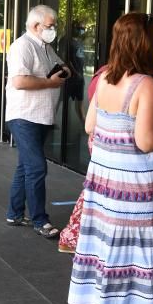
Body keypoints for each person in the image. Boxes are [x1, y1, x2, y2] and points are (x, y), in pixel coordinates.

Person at [68, 13, 153, 304]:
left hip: (104, 180)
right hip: (133, 186)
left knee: (109, 249)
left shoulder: (104, 76)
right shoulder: (146, 84)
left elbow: (91, 126)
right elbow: (146, 141)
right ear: (146, 43)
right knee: (129, 253)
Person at [5, 5, 70, 238]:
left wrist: (61, 72)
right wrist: (50, 82)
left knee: (25, 166)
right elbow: (20, 81)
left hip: (41, 116)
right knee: (36, 167)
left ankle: (14, 213)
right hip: (24, 116)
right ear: (35, 26)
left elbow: (64, 68)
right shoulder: (22, 46)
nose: (53, 30)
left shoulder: (46, 47)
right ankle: (39, 220)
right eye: (50, 26)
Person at [57, 65, 108, 254]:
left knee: (94, 191)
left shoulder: (102, 76)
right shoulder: (111, 78)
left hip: (100, 139)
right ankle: (73, 236)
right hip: (107, 141)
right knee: (94, 193)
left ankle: (74, 237)